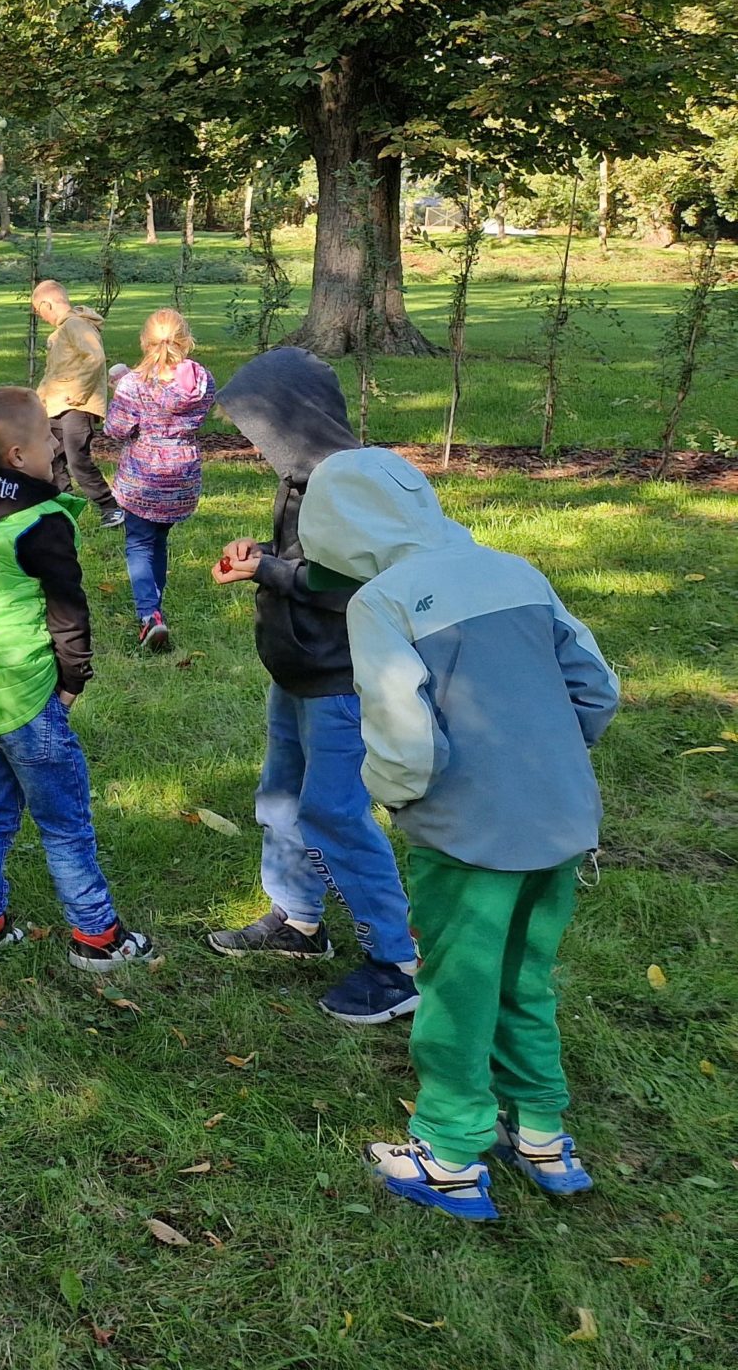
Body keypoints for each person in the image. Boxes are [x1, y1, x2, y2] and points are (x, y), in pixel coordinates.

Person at [297, 449, 619, 1222]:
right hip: (561, 818)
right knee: (524, 978)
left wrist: (396, 796)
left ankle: (448, 1153)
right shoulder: (515, 571)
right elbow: (597, 690)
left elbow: (404, 735)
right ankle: (542, 1135)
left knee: (457, 987)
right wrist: (545, 760)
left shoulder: (382, 600)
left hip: (468, 834)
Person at [206, 348, 421, 1026]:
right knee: (280, 798)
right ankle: (299, 920)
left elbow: (358, 585)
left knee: (334, 813)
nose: (252, 443)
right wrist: (266, 555)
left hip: (339, 680)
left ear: (292, 420)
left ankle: (398, 961)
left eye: (257, 429)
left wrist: (269, 573)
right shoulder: (301, 482)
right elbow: (311, 561)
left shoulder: (350, 485)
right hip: (295, 672)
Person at [0, 387, 155, 970]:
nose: (56, 445)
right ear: (16, 456)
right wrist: (73, 678)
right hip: (27, 699)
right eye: (45, 439)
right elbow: (68, 611)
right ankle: (98, 938)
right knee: (64, 824)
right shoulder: (40, 523)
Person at [101, 309, 216, 653]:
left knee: (139, 543)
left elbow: (116, 429)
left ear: (144, 341)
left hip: (144, 477)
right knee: (159, 540)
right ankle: (155, 608)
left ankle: (149, 614)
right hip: (181, 475)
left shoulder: (134, 384)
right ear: (186, 340)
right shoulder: (201, 381)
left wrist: (119, 388)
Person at [31, 280, 122, 527]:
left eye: (39, 311)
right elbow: (55, 374)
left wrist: (80, 393)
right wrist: (39, 400)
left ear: (47, 304)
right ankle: (64, 507)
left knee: (77, 459)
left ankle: (110, 507)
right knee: (52, 458)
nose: (41, 316)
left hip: (76, 407)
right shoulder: (61, 331)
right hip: (56, 406)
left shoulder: (76, 325)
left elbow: (95, 357)